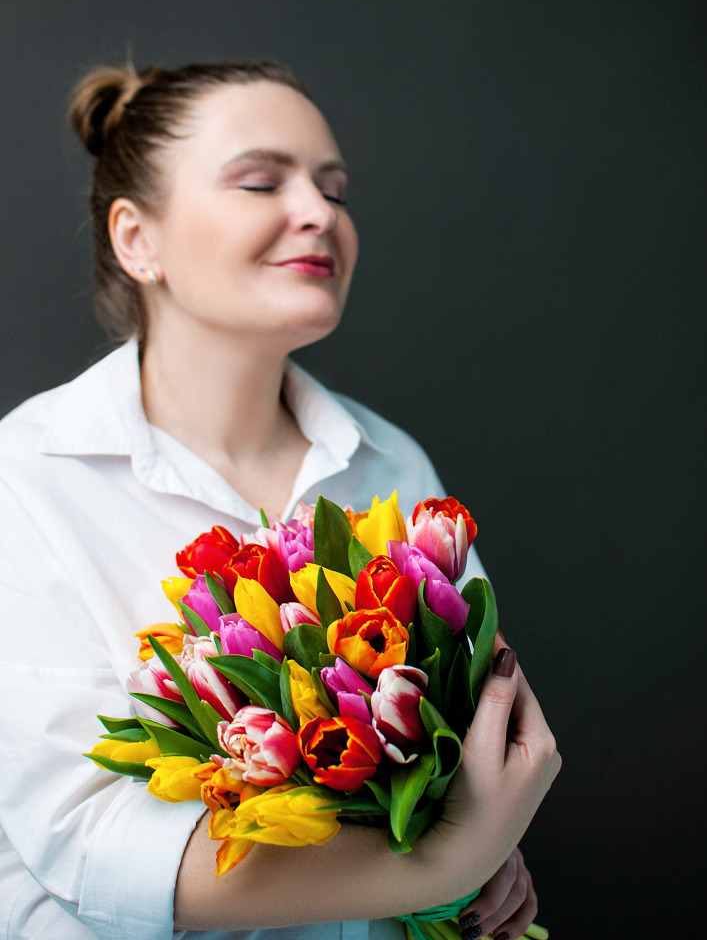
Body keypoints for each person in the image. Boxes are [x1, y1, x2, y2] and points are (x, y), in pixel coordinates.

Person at [0, 60, 561, 940]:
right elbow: (85, 838)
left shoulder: (389, 466)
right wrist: (442, 862)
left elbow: (467, 764)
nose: (320, 213)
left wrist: (482, 864)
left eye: (333, 189)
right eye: (261, 180)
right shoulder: (26, 480)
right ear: (135, 238)